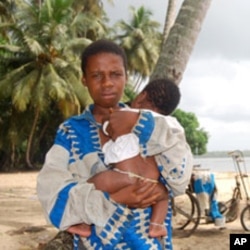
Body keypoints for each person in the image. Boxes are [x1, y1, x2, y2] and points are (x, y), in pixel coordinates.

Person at [37, 39, 193, 250]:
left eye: (115, 74)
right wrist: (115, 198)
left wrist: (139, 122)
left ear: (126, 77)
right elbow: (53, 196)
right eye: (96, 75)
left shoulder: (151, 123)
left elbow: (179, 180)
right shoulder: (71, 132)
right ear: (84, 80)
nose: (107, 83)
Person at [67, 78, 181, 239]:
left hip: (124, 176)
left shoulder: (123, 115)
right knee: (163, 197)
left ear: (141, 97)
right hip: (151, 182)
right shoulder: (162, 128)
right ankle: (156, 226)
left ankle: (84, 223)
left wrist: (106, 128)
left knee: (91, 186)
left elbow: (106, 128)